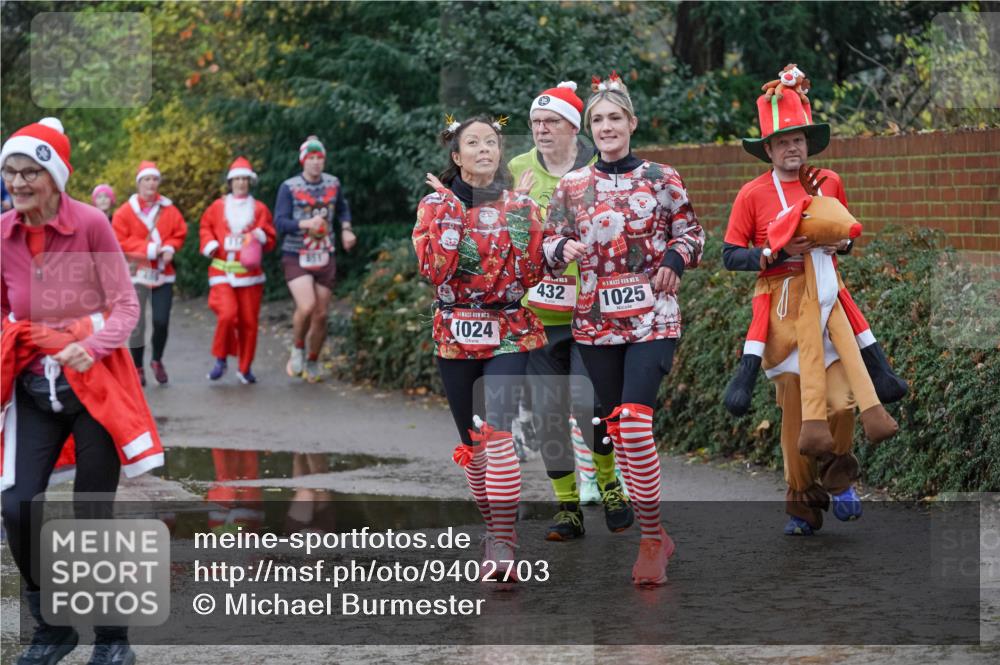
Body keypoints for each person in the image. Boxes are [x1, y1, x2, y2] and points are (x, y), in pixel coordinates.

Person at [1, 117, 164, 665]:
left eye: (29, 172)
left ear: (54, 177)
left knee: (91, 511)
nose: (17, 183)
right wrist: (17, 335)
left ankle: (113, 639)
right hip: (32, 391)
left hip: (93, 388)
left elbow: (125, 307)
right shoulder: (3, 235)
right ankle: (52, 630)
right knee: (18, 506)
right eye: (9, 172)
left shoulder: (92, 224)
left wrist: (86, 344)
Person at [723, 66, 904, 535]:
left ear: (809, 142)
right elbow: (729, 254)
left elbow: (848, 235)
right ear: (768, 148)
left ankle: (839, 475)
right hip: (780, 310)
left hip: (828, 302)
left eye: (799, 138)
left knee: (842, 401)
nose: (793, 147)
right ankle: (801, 503)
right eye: (783, 140)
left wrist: (839, 246)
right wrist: (772, 251)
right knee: (799, 412)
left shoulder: (828, 181)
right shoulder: (751, 194)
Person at [543, 72, 705, 586]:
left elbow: (693, 234)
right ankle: (655, 530)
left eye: (616, 117)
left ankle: (652, 540)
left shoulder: (662, 177)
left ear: (632, 123)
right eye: (599, 119)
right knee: (617, 429)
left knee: (635, 422)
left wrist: (676, 260)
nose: (607, 126)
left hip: (654, 315)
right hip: (594, 323)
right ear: (590, 129)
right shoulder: (572, 187)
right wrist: (559, 250)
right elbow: (547, 244)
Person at [413, 114, 546, 581]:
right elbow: (435, 271)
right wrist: (450, 212)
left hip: (509, 329)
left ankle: (505, 545)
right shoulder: (434, 205)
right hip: (455, 332)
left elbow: (532, 275)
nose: (485, 149)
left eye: (492, 141)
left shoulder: (521, 206)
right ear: (457, 156)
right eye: (474, 142)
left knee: (498, 433)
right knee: (472, 445)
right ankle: (492, 529)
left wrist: (520, 217)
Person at [508, 81, 633, 542]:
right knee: (548, 414)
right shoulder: (517, 168)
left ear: (573, 128)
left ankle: (608, 482)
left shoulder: (595, 168)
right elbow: (498, 235)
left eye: (551, 122)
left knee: (590, 405)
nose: (541, 130)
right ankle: (567, 509)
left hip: (589, 309)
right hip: (538, 313)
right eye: (535, 123)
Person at [273, 136, 356, 383]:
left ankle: (313, 360)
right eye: (311, 158)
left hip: (324, 253)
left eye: (320, 158)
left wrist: (346, 229)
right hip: (296, 254)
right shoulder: (289, 187)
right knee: (307, 306)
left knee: (321, 313)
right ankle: (297, 347)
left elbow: (342, 208)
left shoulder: (333, 183)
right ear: (303, 161)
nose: (316, 163)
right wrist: (305, 223)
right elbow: (279, 222)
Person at [199, 157, 276, 384]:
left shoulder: (260, 209)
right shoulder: (217, 207)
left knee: (249, 323)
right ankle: (221, 358)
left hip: (250, 276)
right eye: (237, 179)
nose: (241, 183)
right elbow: (205, 228)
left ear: (249, 182)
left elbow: (270, 238)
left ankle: (245, 368)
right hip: (222, 272)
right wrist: (210, 244)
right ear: (230, 182)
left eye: (245, 179)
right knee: (227, 314)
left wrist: (261, 235)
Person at [111, 161, 188, 386]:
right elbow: (120, 241)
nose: (151, 183)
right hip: (135, 275)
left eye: (154, 179)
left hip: (163, 275)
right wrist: (152, 249)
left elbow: (179, 233)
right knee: (137, 325)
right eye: (146, 179)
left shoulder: (169, 210)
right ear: (139, 183)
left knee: (161, 321)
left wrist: (171, 247)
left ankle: (157, 359)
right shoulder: (125, 212)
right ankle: (137, 367)